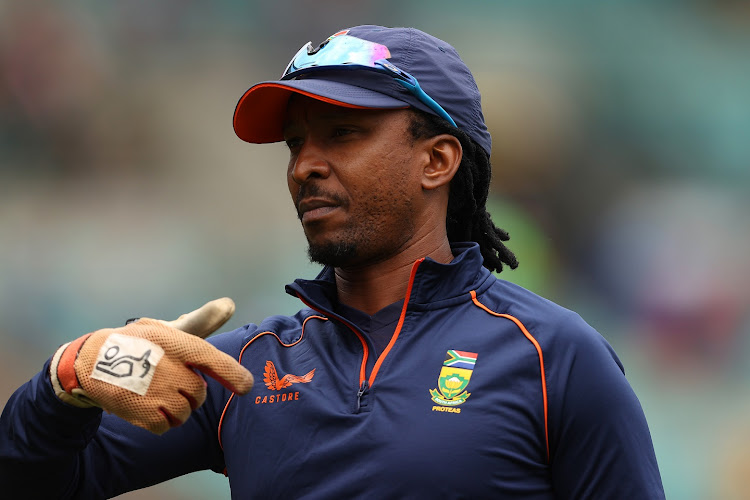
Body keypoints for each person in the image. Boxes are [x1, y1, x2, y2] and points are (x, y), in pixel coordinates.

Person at [0, 25, 665, 498]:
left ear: (437, 160)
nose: (305, 166)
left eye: (344, 135)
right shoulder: (242, 370)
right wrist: (67, 381)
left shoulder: (554, 357)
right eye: (295, 143)